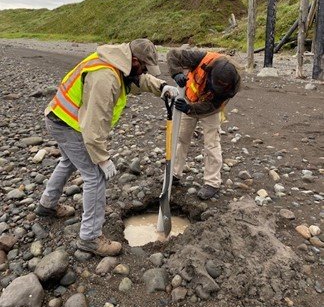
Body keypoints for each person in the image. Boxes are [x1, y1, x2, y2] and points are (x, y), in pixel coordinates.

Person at [35, 39, 178, 257]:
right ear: (135, 61)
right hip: (68, 124)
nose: (144, 72)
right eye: (144, 67)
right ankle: (90, 238)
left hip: (60, 117)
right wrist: (102, 158)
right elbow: (93, 127)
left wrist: (161, 87)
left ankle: (47, 204)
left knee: (69, 161)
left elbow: (139, 79)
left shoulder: (119, 61)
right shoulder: (106, 78)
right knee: (95, 176)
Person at [167, 48, 241, 200]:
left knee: (212, 143)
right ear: (210, 73)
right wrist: (176, 73)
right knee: (180, 138)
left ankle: (212, 183)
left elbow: (212, 105)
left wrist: (189, 109)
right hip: (189, 98)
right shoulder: (200, 58)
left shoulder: (233, 85)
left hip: (210, 111)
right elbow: (172, 55)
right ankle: (173, 174)